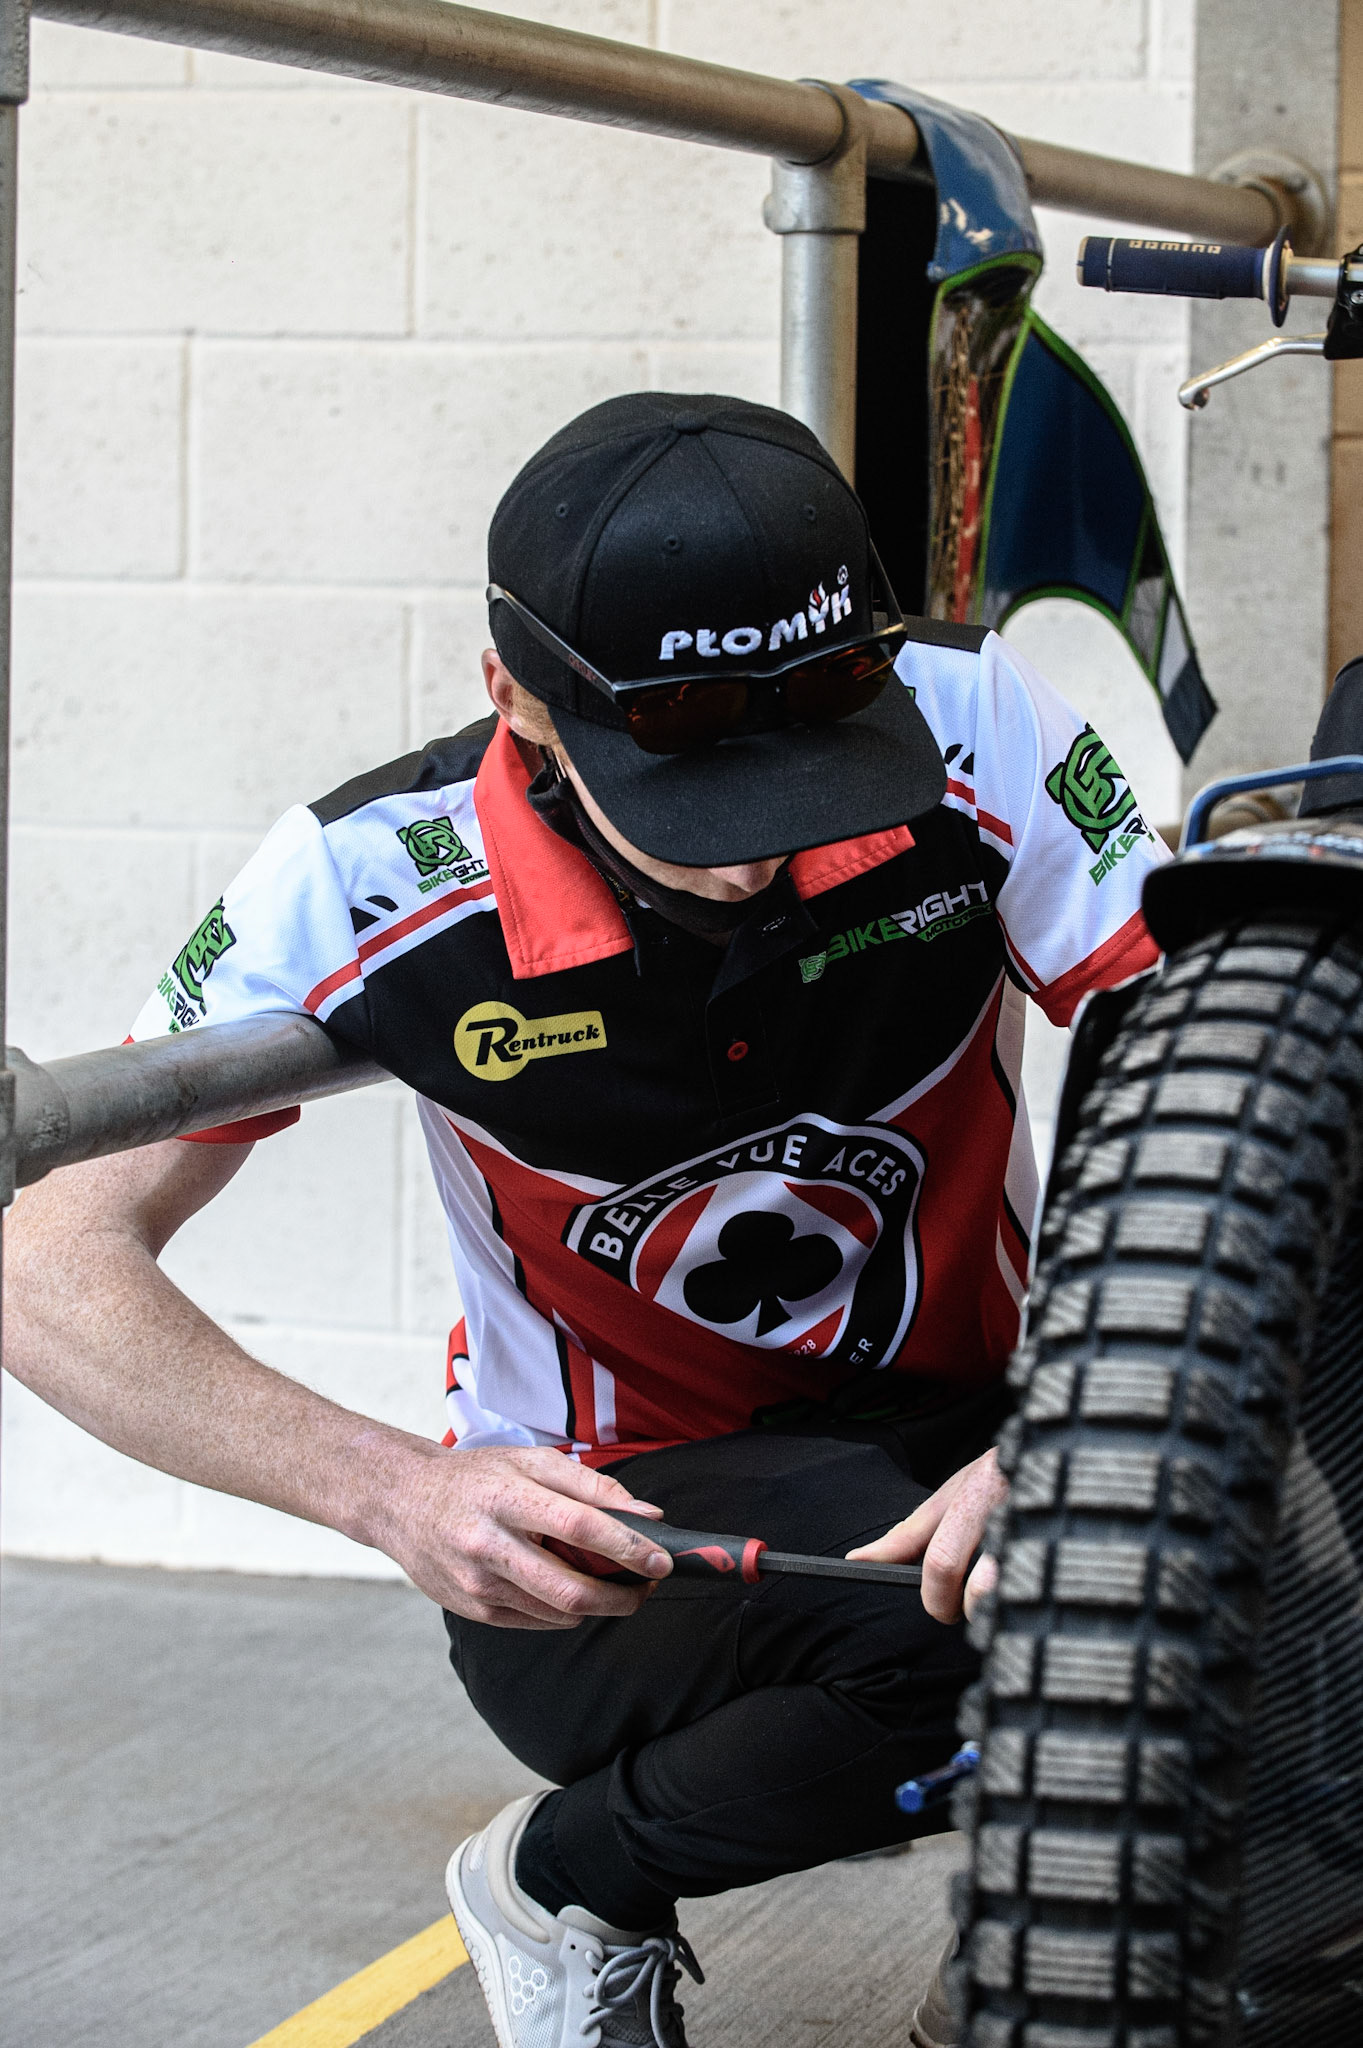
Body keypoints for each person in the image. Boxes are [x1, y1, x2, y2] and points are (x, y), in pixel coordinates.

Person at [5, 392, 1167, 2048]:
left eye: (814, 776)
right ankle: (568, 1877)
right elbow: (39, 1256)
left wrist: (1091, 1417)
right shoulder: (367, 874)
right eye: (698, 798)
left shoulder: (979, 727)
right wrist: (395, 1491)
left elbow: (1233, 1068)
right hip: (612, 1539)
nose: (753, 861)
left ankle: (1026, 1966)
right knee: (1006, 1626)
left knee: (1241, 1558)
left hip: (991, 1426)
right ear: (519, 699)